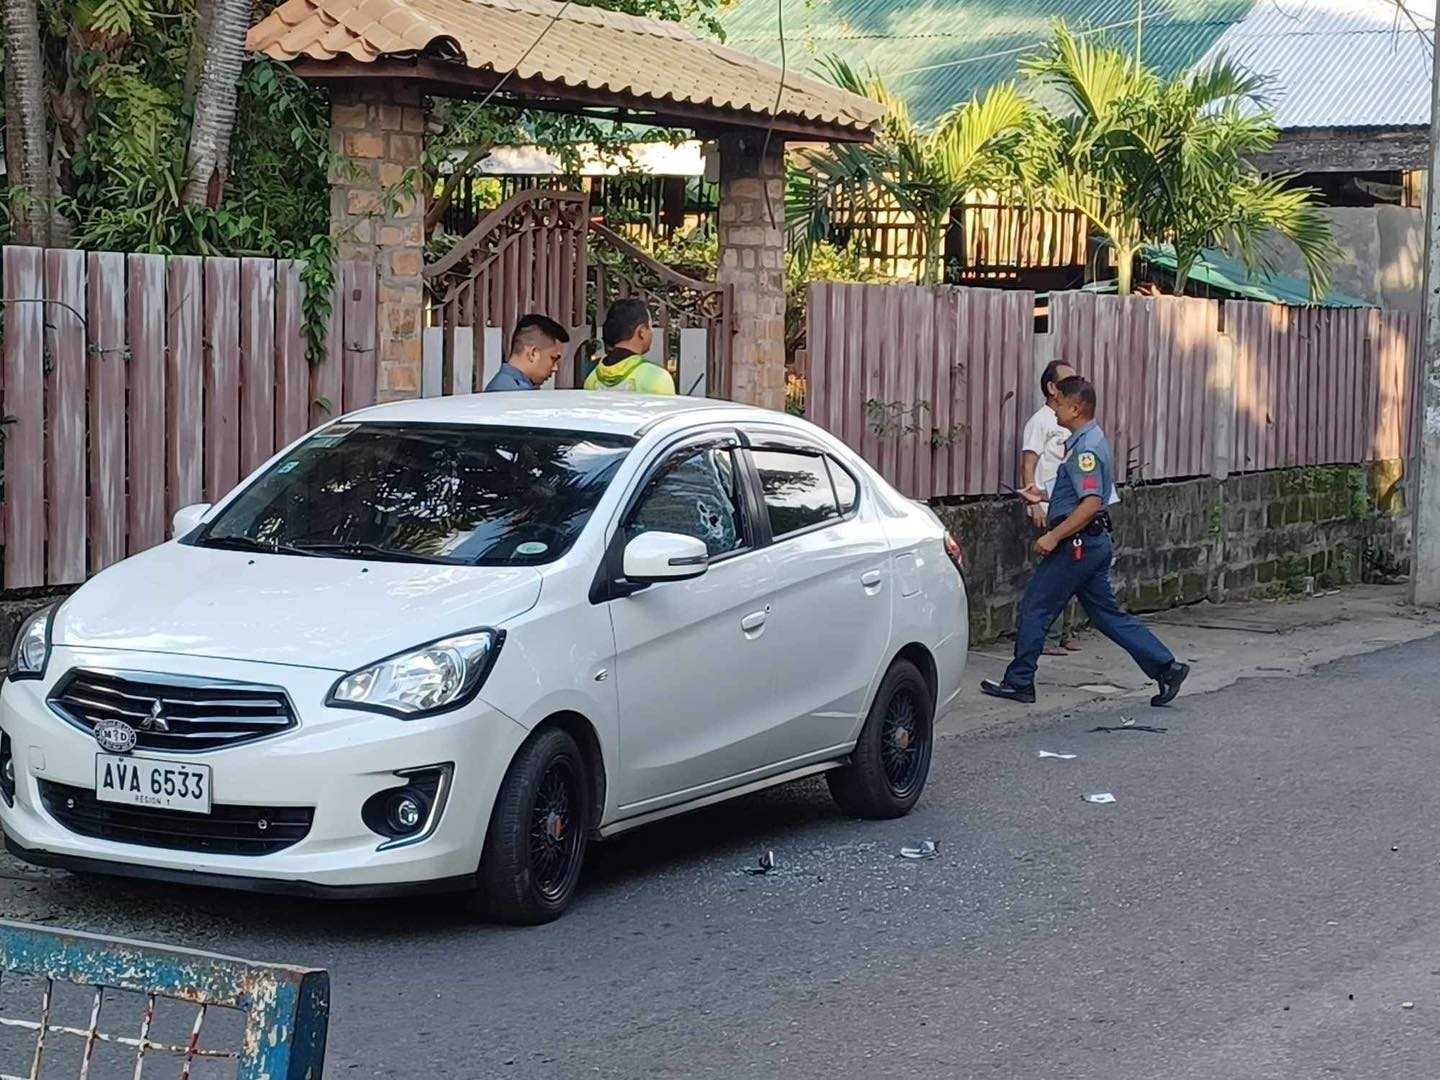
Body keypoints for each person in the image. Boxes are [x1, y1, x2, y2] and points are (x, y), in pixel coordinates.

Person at [981, 376, 1190, 707]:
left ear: (1075, 408)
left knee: (1036, 606)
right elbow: (1078, 491)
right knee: (1106, 615)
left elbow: (1092, 502)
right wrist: (1042, 493)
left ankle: (1019, 681)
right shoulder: (1086, 440)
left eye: (1060, 404)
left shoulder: (1087, 448)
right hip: (1089, 545)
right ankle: (1167, 668)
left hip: (1076, 545)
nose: (1056, 410)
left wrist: (1052, 536)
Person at [1021, 360, 1080, 656]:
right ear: (1051, 388)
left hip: (1071, 505)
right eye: (1067, 381)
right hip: (1049, 505)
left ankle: (1063, 634)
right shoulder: (1041, 421)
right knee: (1051, 575)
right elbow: (1029, 462)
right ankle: (1046, 637)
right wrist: (1036, 505)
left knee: (1071, 569)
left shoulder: (1070, 421)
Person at [584, 298, 675, 394]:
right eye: (651, 326)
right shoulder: (658, 378)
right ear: (642, 331)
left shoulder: (592, 380)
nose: (652, 332)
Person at [484, 314, 570, 392]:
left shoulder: (504, 384)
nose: (555, 368)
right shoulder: (515, 393)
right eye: (553, 359)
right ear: (533, 354)